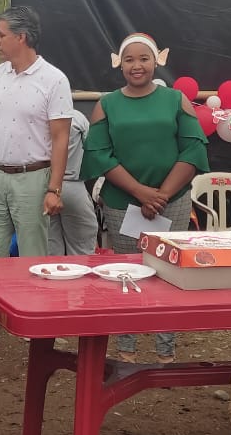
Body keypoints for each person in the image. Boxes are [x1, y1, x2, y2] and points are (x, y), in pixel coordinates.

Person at [0, 5, 74, 369]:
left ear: (21, 37)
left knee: (32, 258)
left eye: (1, 35)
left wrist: (54, 188)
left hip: (32, 177)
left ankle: (36, 331)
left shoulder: (54, 80)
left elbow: (61, 137)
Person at [83, 33, 210, 364]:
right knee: (127, 271)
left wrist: (162, 195)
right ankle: (127, 347)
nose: (136, 65)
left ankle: (165, 349)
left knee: (168, 271)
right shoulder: (107, 104)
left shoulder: (176, 100)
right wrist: (140, 192)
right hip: (122, 202)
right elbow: (99, 153)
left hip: (173, 201)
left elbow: (193, 148)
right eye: (129, 59)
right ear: (119, 64)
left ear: (156, 61)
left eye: (143, 58)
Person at [47, 109, 98, 255]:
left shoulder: (36, 116)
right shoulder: (77, 117)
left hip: (44, 187)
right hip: (73, 185)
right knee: (81, 251)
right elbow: (92, 148)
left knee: (51, 250)